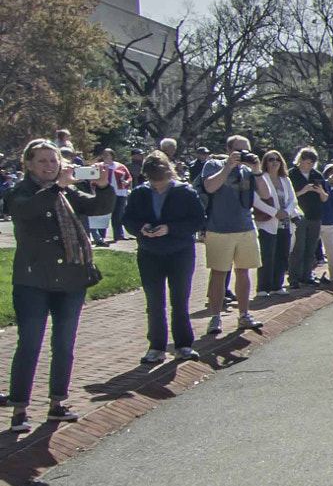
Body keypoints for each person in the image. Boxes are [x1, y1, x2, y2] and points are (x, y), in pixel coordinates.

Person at [4, 140, 116, 431]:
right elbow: (27, 211)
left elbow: (97, 206)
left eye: (53, 162)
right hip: (33, 281)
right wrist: (57, 187)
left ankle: (57, 403)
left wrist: (103, 186)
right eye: (42, 161)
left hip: (70, 280)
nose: (49, 167)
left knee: (64, 344)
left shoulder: (66, 191)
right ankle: (19, 409)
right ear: (28, 164)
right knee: (29, 344)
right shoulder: (20, 191)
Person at [128, 152, 207, 363]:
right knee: (154, 302)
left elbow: (198, 220)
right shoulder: (139, 193)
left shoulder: (185, 192)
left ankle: (183, 345)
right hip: (150, 253)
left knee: (180, 300)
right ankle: (156, 346)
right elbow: (128, 219)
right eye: (153, 183)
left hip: (179, 252)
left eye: (161, 182)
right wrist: (141, 228)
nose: (158, 187)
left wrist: (170, 229)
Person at [200, 137, 265, 339]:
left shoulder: (248, 171)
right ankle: (215, 317)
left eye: (246, 151)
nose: (242, 155)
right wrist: (228, 166)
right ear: (228, 149)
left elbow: (265, 194)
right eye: (238, 151)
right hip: (219, 228)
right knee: (219, 273)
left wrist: (257, 169)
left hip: (245, 227)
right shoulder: (213, 165)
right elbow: (209, 187)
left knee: (243, 271)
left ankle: (244, 314)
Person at [252, 150, 297, 298]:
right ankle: (263, 288)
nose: (274, 162)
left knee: (282, 254)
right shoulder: (261, 178)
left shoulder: (285, 179)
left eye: (277, 159)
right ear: (265, 162)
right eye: (271, 159)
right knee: (267, 255)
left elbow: (293, 200)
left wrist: (287, 212)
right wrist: (274, 212)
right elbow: (256, 200)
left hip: (284, 222)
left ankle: (277, 285)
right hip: (267, 223)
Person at [288, 150, 327, 288]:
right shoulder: (291, 174)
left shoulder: (317, 175)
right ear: (301, 160)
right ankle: (294, 278)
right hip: (298, 216)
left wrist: (319, 191)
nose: (309, 165)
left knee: (311, 248)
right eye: (307, 162)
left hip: (315, 215)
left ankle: (307, 275)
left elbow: (325, 198)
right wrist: (304, 190)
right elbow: (289, 197)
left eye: (312, 163)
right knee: (298, 248)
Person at [99, 147, 132, 242]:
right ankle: (101, 235)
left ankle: (119, 235)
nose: (104, 156)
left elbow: (129, 177)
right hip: (105, 193)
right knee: (105, 214)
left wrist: (126, 182)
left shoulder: (120, 166)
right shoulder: (99, 166)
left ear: (112, 156)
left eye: (107, 154)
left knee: (118, 215)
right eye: (103, 154)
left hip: (120, 193)